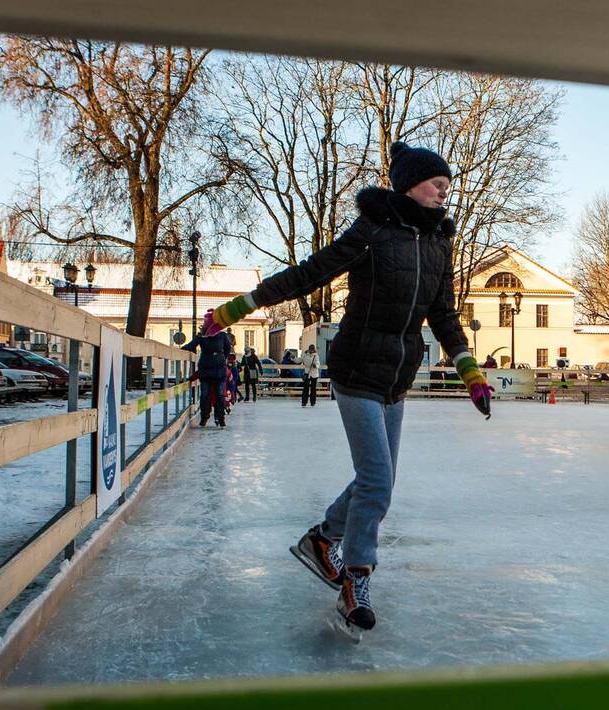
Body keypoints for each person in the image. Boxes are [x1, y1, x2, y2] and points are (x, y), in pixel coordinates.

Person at [201, 141, 492, 639]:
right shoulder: (373, 231)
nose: (445, 192)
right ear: (409, 184)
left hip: (397, 379)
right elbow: (309, 273)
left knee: (379, 482)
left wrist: (470, 372)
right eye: (436, 183)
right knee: (377, 480)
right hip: (356, 370)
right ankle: (356, 581)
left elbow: (442, 315)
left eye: (447, 186)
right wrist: (237, 308)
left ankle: (322, 539)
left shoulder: (440, 244)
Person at [181, 326, 231, 427]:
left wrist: (220, 358)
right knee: (207, 396)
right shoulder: (204, 336)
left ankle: (219, 418)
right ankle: (207, 417)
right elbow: (191, 346)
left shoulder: (221, 335)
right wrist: (220, 357)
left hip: (215, 371)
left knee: (216, 395)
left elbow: (227, 349)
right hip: (209, 371)